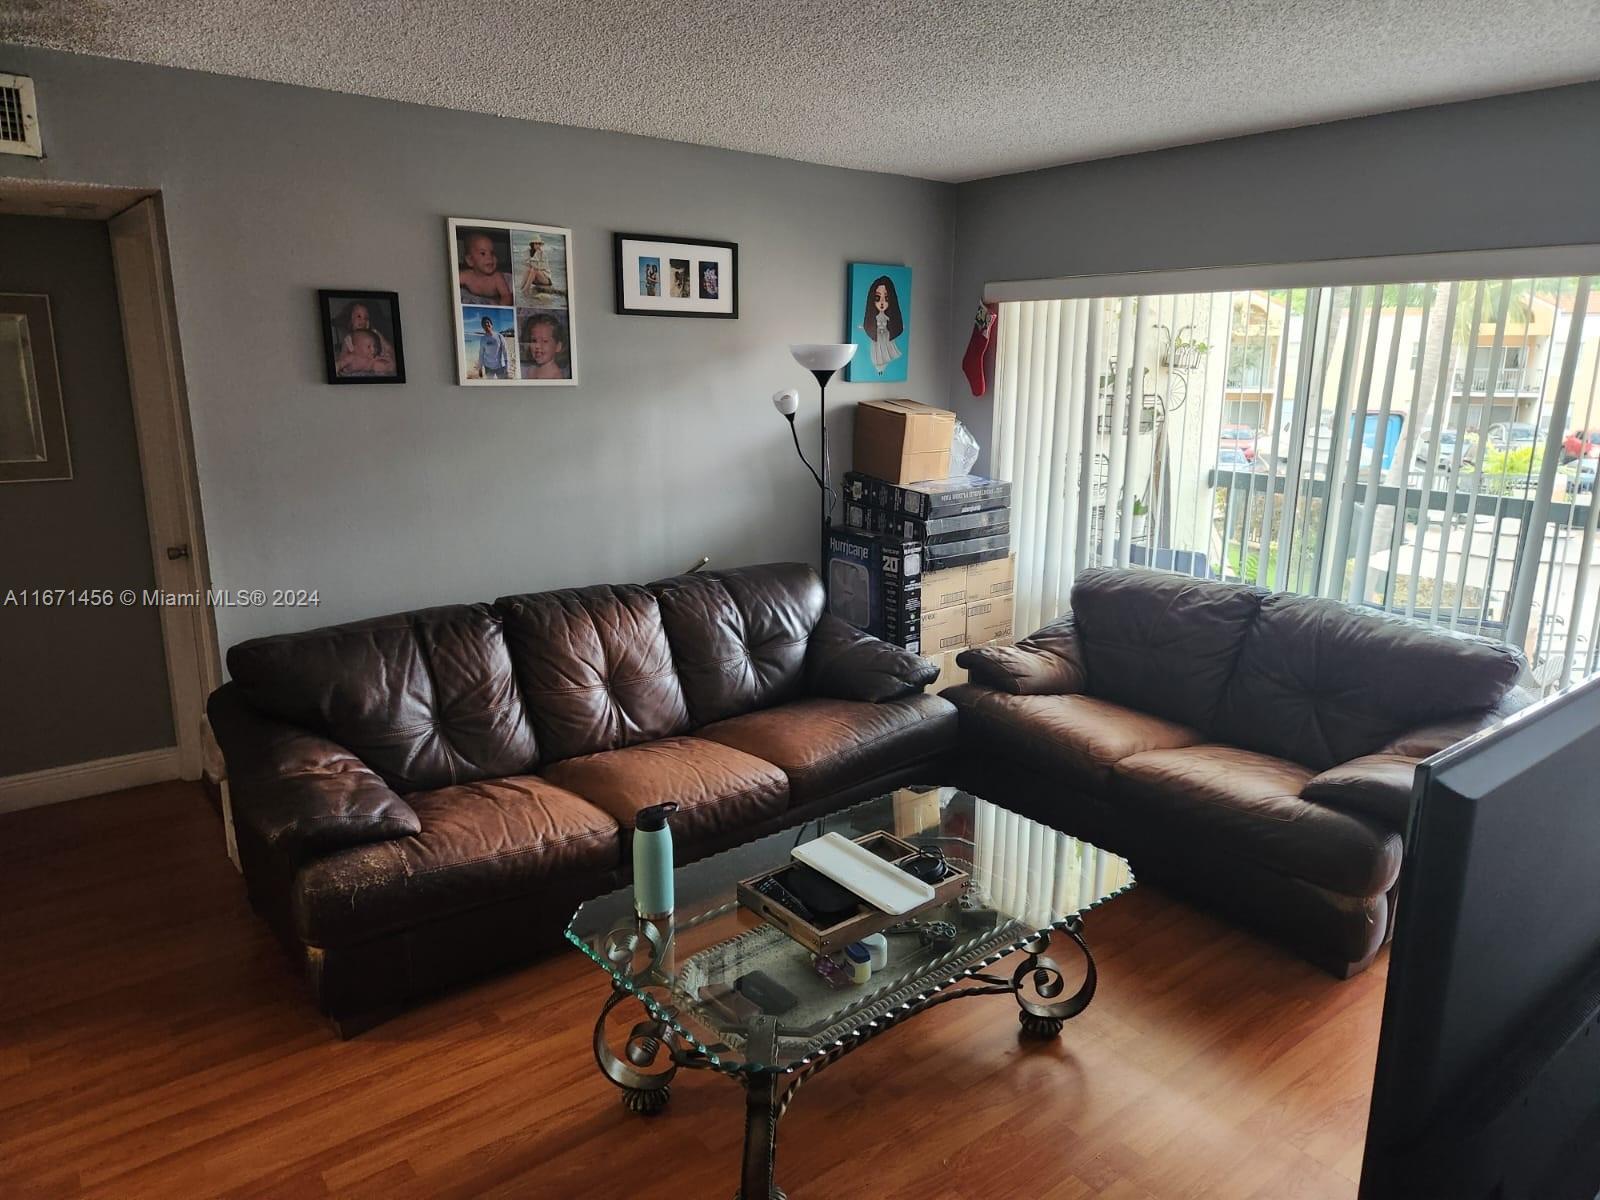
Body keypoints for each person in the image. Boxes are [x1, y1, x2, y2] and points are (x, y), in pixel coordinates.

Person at [333, 300, 395, 376]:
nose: (363, 320)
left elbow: (387, 346)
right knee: (348, 359)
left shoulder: (374, 333)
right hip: (358, 363)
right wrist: (343, 363)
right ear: (351, 320)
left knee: (381, 365)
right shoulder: (349, 337)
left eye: (366, 317)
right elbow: (343, 354)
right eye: (359, 316)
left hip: (372, 360)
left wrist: (389, 353)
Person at [861, 275, 905, 373]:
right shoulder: (873, 318)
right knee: (877, 353)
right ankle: (879, 369)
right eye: (877, 298)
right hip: (877, 336)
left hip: (885, 335)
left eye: (886, 298)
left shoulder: (886, 316)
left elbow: (887, 320)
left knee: (885, 351)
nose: (882, 302)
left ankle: (883, 367)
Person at [459, 231, 513, 305]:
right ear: (470, 260)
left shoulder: (497, 277)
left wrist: (501, 309)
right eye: (483, 253)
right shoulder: (467, 276)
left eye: (492, 253)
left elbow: (506, 296)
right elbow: (451, 282)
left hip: (502, 288)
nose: (490, 257)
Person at [522, 312, 568, 380]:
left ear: (558, 346)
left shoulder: (557, 377)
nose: (537, 346)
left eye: (545, 341)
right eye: (534, 341)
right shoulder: (528, 370)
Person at [476, 315, 510, 379]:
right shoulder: (483, 339)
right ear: (482, 327)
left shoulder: (499, 336)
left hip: (500, 367)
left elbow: (506, 352)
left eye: (488, 322)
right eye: (484, 323)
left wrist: (507, 367)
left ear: (492, 324)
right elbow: (481, 354)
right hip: (488, 368)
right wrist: (480, 368)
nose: (486, 324)